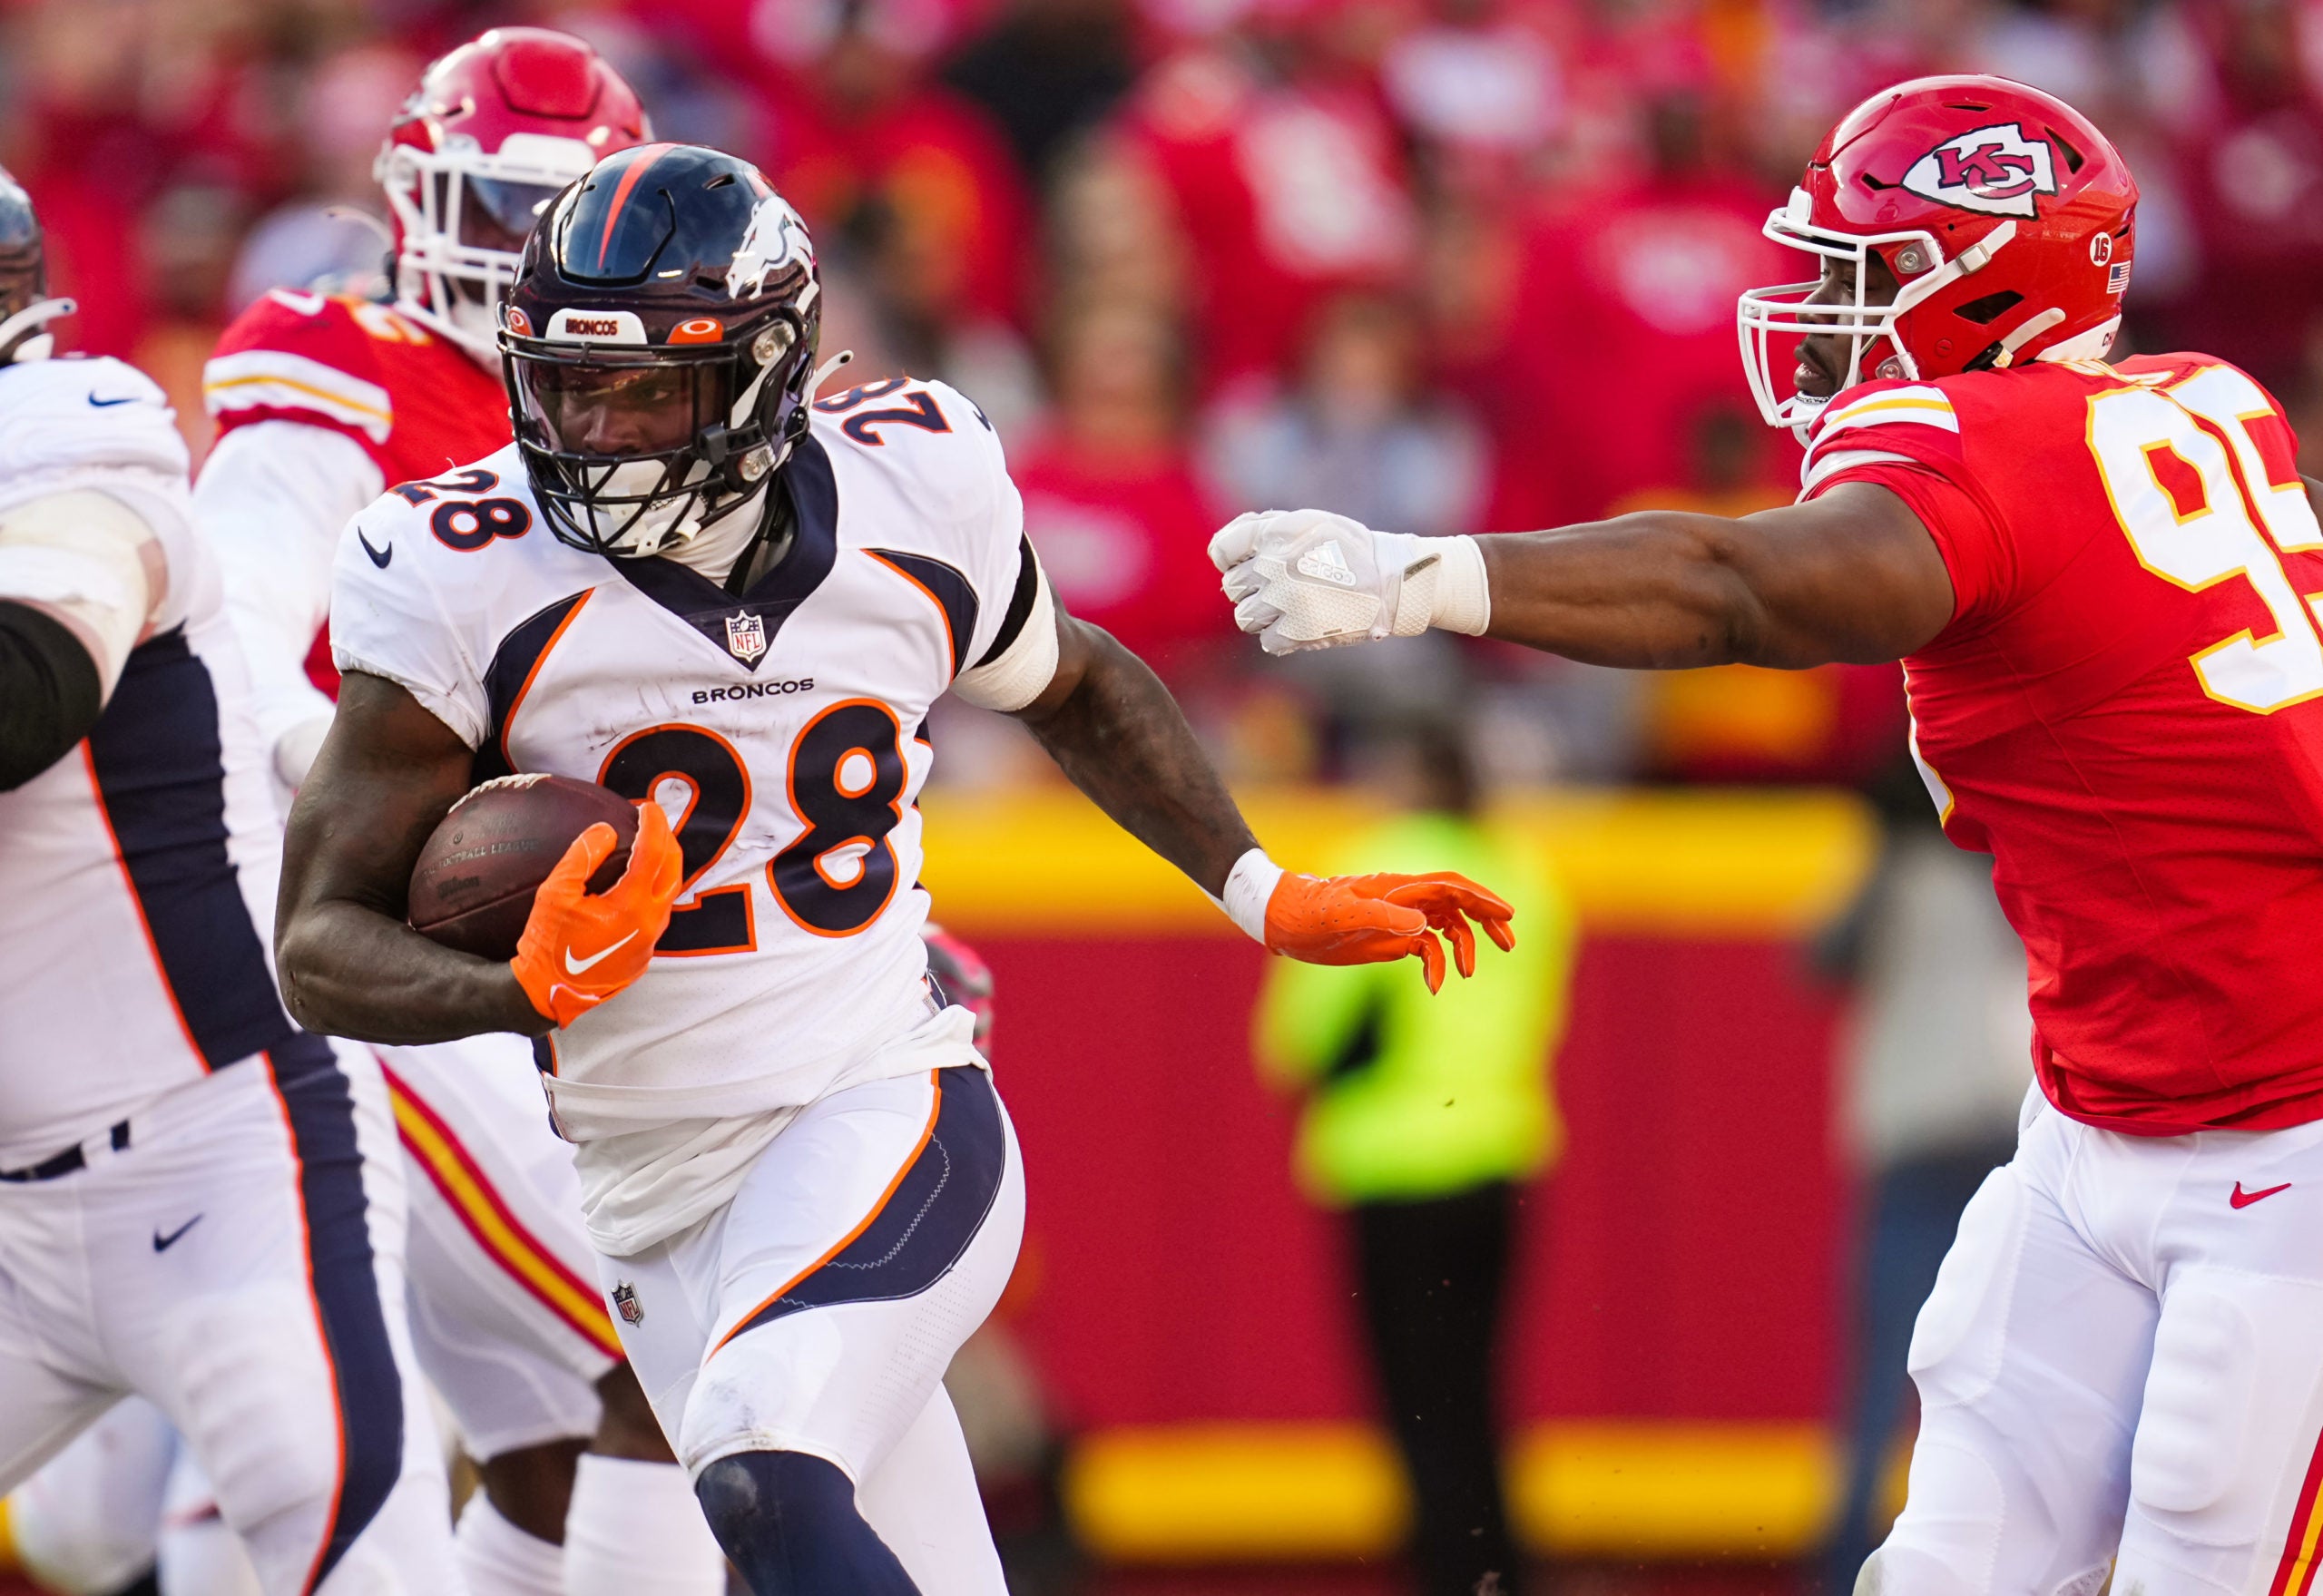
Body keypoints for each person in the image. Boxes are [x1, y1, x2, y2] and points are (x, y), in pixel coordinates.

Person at [271, 142, 1515, 1596]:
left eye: (642, 388)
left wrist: (1260, 885)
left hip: (880, 1103)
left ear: (761, 367)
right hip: (647, 1187)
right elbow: (317, 944)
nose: (594, 430)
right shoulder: (459, 564)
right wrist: (509, 983)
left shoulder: (915, 483)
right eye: (565, 383)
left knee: (761, 1465)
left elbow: (1075, 683)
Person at [1213, 73, 2323, 1596]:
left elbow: (1744, 587)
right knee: (1945, 1562)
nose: (1819, 318)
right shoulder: (2209, 401)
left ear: (1993, 284)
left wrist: (1437, 575)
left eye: (1861, 279)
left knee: (2213, 1551)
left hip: (2289, 1130)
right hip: (2103, 1111)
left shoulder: (1994, 445)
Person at [193, 30, 728, 1596]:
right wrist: (359, 785)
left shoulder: (636, 401)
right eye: (486, 212)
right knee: (682, 1333)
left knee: (564, 1439)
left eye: (545, 222)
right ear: (416, 201)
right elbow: (232, 633)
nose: (508, 262)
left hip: (536, 933)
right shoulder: (339, 366)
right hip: (351, 934)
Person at [0, 166, 460, 1596]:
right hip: (10, 1212)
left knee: (354, 1558)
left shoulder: (73, 442)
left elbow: (27, 686)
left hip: (219, 1150)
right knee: (79, 1540)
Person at [1253, 720, 1573, 1596]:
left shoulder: (1370, 863)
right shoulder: (1529, 874)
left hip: (1391, 1168)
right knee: (1476, 1394)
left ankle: (1454, 1574)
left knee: (1417, 1405)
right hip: (1500, 1157)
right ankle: (1500, 1569)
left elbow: (1295, 1040)